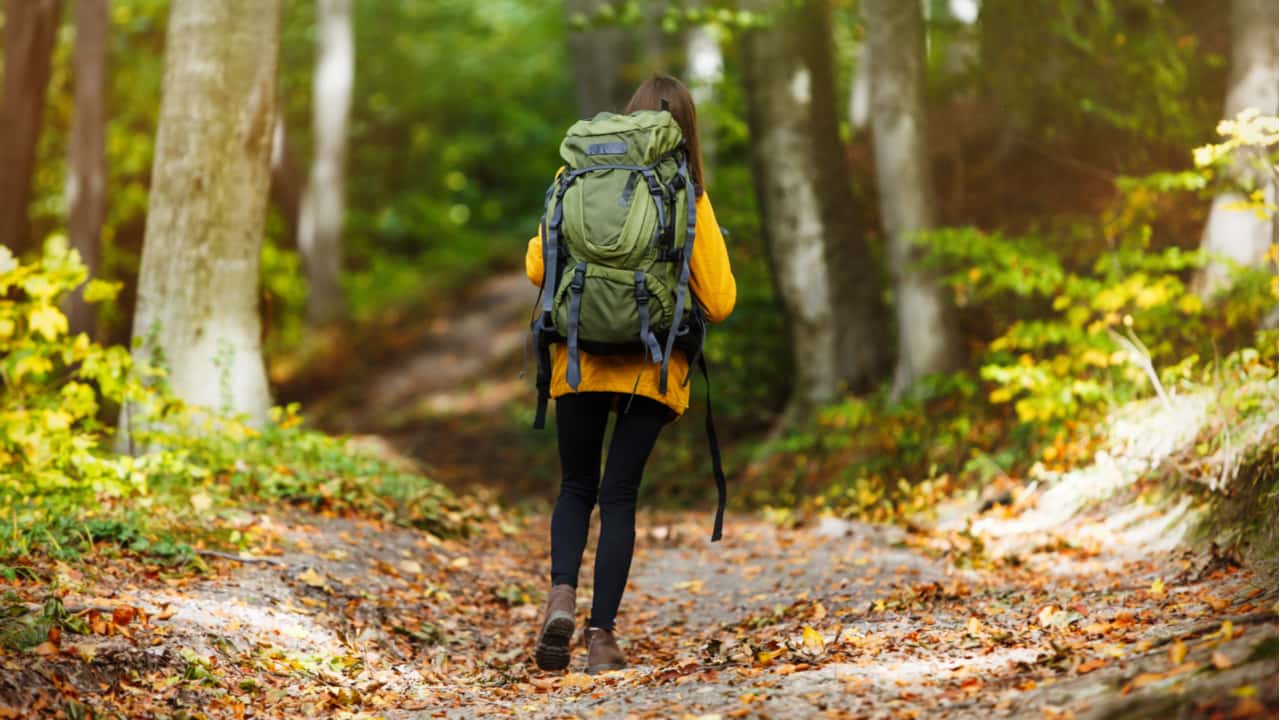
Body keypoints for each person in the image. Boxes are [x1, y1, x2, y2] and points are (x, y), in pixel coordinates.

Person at [525, 74, 737, 674]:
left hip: (577, 355)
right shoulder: (686, 192)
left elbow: (536, 266)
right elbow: (719, 302)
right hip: (653, 364)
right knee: (619, 497)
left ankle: (560, 596)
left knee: (575, 487)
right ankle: (601, 639)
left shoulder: (575, 176)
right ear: (686, 128)